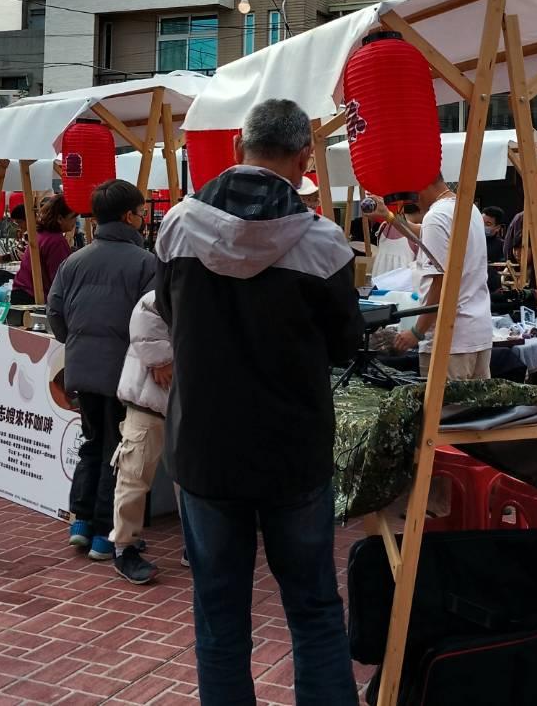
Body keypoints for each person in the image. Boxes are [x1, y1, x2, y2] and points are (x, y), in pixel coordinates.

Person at [154, 98, 362, 705]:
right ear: (302, 158)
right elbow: (346, 344)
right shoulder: (324, 243)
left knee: (219, 618)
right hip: (292, 452)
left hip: (203, 448)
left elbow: (168, 314)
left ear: (240, 148)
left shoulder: (176, 227)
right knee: (315, 609)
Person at [47, 180, 156, 564]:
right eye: (142, 213)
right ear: (129, 216)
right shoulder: (146, 263)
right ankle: (103, 535)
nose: (144, 220)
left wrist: (77, 342)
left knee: (91, 443)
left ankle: (80, 523)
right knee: (118, 451)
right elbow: (154, 325)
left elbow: (55, 314)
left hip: (80, 368)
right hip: (122, 373)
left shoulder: (73, 260)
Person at [393, 175, 493, 381]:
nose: (412, 200)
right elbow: (422, 232)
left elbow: (440, 284)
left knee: (443, 412)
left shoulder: (435, 216)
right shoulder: (467, 208)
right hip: (477, 333)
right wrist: (388, 217)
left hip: (448, 340)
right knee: (476, 411)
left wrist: (416, 332)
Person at [108, 290, 175, 585]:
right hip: (150, 399)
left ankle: (198, 545)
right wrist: (161, 360)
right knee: (134, 473)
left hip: (187, 406)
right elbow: (145, 312)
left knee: (191, 481)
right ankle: (124, 547)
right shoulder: (177, 278)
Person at [11, 195, 76, 305]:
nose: (75, 221)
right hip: (34, 297)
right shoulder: (56, 241)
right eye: (73, 217)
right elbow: (59, 279)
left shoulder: (41, 235)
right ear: (60, 219)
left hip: (21, 293)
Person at [369, 202, 421, 278]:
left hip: (379, 277)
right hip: (401, 283)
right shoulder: (416, 232)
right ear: (419, 210)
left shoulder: (384, 225)